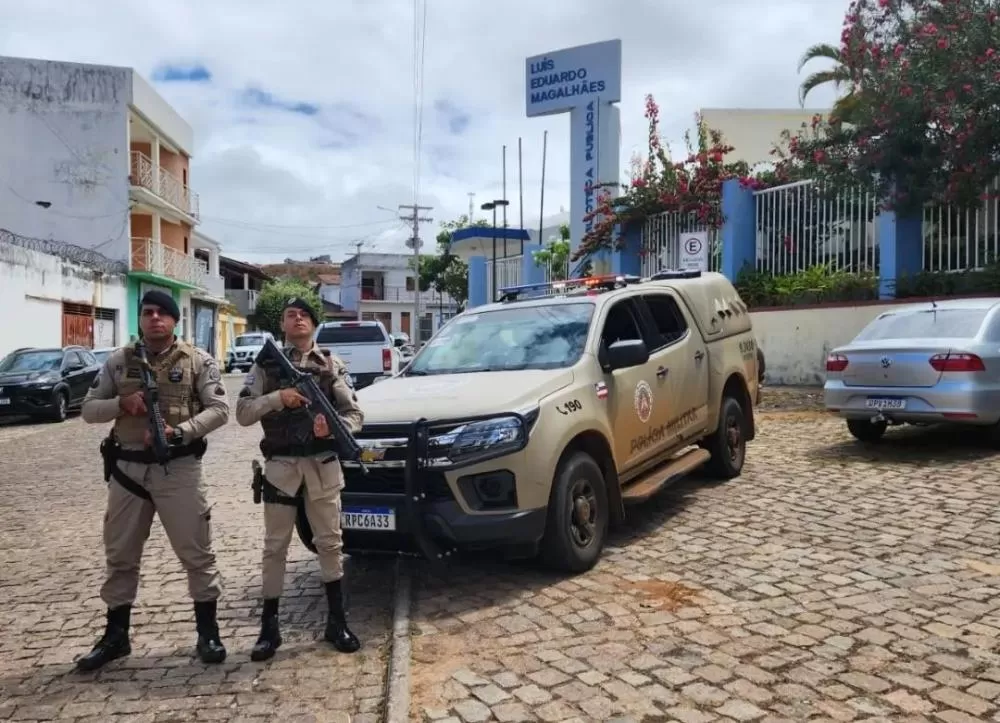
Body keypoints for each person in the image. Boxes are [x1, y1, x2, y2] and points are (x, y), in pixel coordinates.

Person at [76, 290, 230, 671]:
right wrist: (121, 405)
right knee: (120, 554)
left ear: (175, 320)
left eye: (163, 313)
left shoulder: (198, 361)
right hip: (128, 471)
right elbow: (88, 409)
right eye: (148, 313)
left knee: (197, 551)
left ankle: (207, 632)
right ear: (140, 319)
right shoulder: (119, 361)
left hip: (177, 468)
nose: (155, 318)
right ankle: (116, 636)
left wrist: (180, 432)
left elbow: (220, 409)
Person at [235, 297, 364, 661]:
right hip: (281, 466)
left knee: (330, 542)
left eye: (304, 314)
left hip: (322, 464)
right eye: (291, 315)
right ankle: (269, 628)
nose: (298, 319)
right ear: (283, 325)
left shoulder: (330, 364)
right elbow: (243, 412)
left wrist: (334, 430)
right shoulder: (265, 365)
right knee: (275, 545)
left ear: (313, 323)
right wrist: (279, 398)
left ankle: (337, 621)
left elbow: (353, 413)